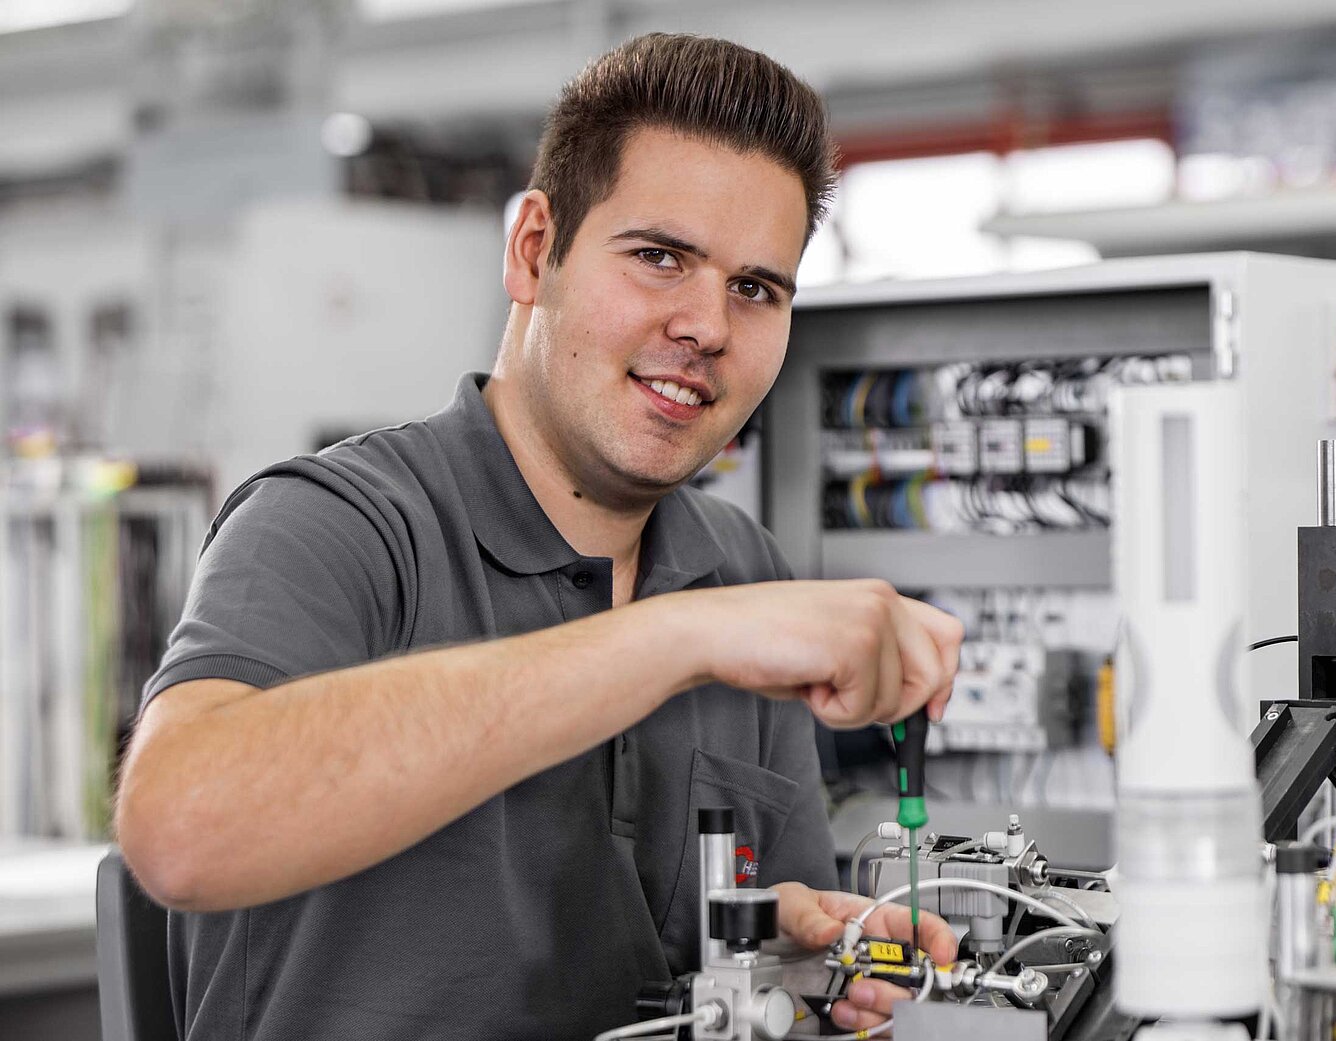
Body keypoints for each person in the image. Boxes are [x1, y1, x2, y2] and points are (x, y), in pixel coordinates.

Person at [116, 31, 964, 1041]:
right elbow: (180, 830)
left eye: (754, 288)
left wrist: (794, 951)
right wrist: (678, 642)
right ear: (533, 251)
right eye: (660, 258)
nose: (708, 326)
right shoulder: (337, 526)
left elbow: (718, 949)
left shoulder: (736, 571)